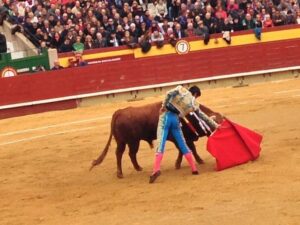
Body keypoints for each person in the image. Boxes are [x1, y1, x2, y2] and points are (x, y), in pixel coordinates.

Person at [149, 85, 218, 183]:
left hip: (165, 118)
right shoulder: (194, 104)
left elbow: (168, 93)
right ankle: (194, 168)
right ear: (195, 94)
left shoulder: (180, 89)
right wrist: (215, 125)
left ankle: (156, 170)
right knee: (183, 144)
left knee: (161, 143)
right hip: (176, 120)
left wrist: (163, 106)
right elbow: (204, 117)